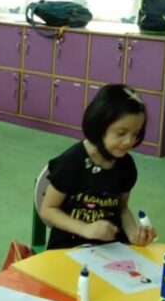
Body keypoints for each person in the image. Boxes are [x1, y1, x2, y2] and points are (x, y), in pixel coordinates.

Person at [40, 84, 157, 249]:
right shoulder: (71, 163)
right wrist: (85, 229)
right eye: (121, 133)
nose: (129, 141)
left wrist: (132, 233)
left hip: (110, 249)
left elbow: (122, 209)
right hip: (67, 248)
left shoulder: (126, 166)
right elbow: (48, 210)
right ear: (100, 127)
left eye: (135, 134)